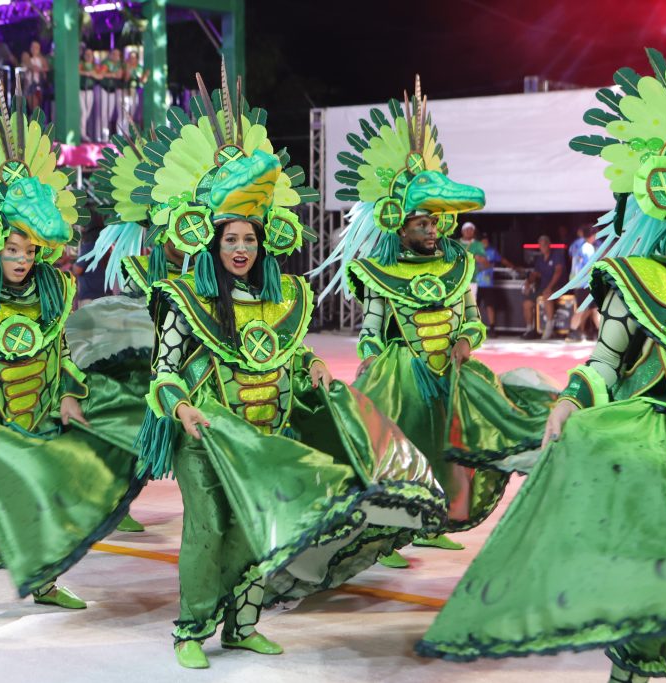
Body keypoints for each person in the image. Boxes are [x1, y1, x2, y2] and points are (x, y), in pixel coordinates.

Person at [417, 39, 666, 683]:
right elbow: (604, 364)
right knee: (653, 600)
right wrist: (570, 401)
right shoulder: (637, 280)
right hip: (656, 464)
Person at [133, 73, 447, 669]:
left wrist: (314, 371)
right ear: (213, 242)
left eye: (249, 238)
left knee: (263, 526)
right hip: (208, 436)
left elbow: (287, 354)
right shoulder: (184, 298)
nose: (242, 249)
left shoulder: (283, 298)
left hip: (266, 435)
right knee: (209, 529)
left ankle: (243, 621)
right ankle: (189, 632)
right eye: (231, 239)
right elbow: (164, 370)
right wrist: (180, 407)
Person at [0, 82, 142, 634]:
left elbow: (61, 353)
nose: (20, 259)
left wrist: (67, 395)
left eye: (29, 250)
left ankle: (42, 582)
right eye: (11, 250)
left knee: (44, 494)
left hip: (38, 413)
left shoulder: (53, 294)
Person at [315, 77, 554, 559]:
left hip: (451, 376)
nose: (430, 230)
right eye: (420, 223)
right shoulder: (380, 271)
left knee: (447, 453)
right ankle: (387, 533)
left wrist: (466, 341)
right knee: (398, 456)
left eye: (434, 221)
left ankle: (430, 522)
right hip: (400, 379)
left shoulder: (458, 264)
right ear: (399, 227)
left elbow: (472, 318)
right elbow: (371, 330)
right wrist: (371, 369)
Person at [521, 234, 563, 339]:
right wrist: (528, 282)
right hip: (542, 286)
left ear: (549, 245)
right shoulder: (539, 259)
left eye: (543, 245)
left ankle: (549, 327)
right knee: (527, 303)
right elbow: (535, 274)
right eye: (540, 245)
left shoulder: (557, 255)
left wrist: (549, 287)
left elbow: (558, 272)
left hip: (557, 286)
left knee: (547, 295)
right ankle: (529, 329)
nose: (541, 247)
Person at [567, 226, 599, 341]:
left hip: (579, 283)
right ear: (592, 235)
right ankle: (572, 332)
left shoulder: (576, 246)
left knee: (594, 309)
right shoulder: (588, 247)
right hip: (585, 284)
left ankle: (602, 335)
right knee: (582, 309)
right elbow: (589, 266)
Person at [458, 221, 488, 299]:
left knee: (470, 305)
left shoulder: (478, 244)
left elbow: (485, 262)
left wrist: (479, 259)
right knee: (456, 305)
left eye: (471, 230)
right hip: (456, 280)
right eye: (466, 229)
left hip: (472, 280)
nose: (468, 231)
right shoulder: (455, 243)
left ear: (473, 232)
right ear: (462, 231)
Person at [78, 48, 98, 142]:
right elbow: (77, 71)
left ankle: (82, 131)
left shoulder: (95, 66)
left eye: (90, 54)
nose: (89, 56)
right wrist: (86, 73)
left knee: (88, 113)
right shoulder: (81, 64)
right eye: (87, 54)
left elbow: (100, 75)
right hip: (81, 90)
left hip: (90, 91)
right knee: (83, 112)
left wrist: (92, 74)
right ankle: (82, 134)